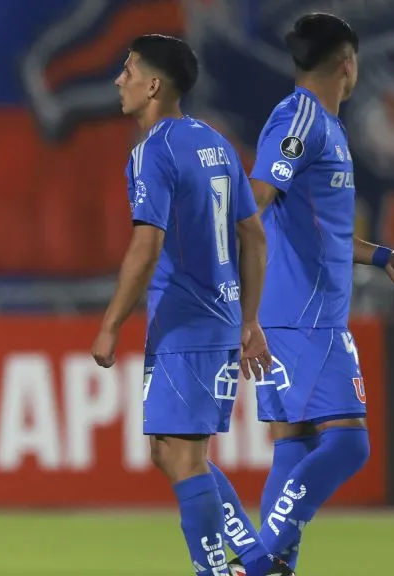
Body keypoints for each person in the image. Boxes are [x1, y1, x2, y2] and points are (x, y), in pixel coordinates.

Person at [222, 13, 394, 575]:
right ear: (347, 62)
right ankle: (257, 564)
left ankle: (273, 568)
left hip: (297, 315)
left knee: (296, 444)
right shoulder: (300, 120)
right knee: (349, 445)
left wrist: (383, 256)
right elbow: (257, 199)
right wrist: (245, 313)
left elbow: (322, 227)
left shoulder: (326, 126)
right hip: (303, 318)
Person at [91, 34, 293, 576]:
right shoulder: (216, 142)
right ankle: (254, 558)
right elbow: (253, 235)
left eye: (128, 70)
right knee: (171, 451)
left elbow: (147, 242)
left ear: (154, 85)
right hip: (217, 319)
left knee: (180, 456)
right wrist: (248, 319)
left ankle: (218, 569)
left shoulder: (153, 150)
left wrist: (110, 324)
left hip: (186, 322)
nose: (120, 80)